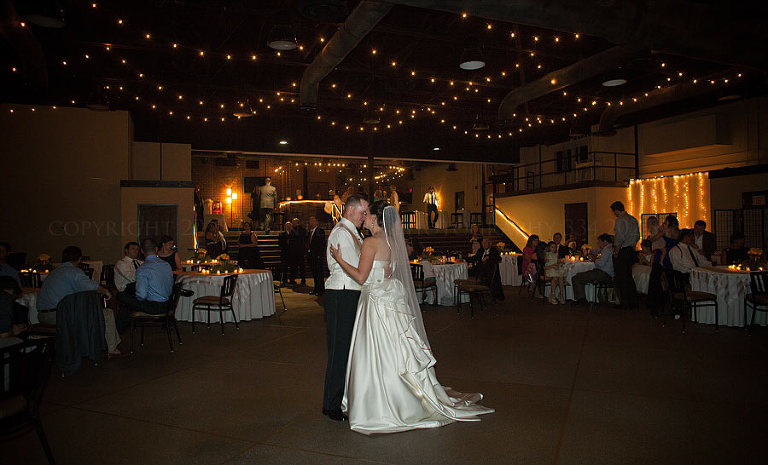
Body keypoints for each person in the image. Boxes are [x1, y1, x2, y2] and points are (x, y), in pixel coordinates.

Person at [329, 200, 494, 434]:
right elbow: (389, 270)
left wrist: (339, 259)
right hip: (389, 299)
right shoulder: (392, 242)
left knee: (375, 351)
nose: (364, 217)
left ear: (376, 218)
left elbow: (361, 277)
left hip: (374, 302)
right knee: (396, 348)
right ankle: (402, 393)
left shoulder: (370, 242)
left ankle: (378, 401)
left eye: (367, 214)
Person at [322, 194, 369, 422]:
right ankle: (331, 404)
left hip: (347, 293)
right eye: (363, 212)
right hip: (341, 293)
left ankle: (336, 400)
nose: (365, 217)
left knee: (344, 350)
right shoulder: (342, 232)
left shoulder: (352, 232)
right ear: (350, 210)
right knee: (339, 351)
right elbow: (356, 269)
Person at [37, 246, 120, 355]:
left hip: (42, 316)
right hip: (60, 315)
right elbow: (91, 286)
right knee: (107, 314)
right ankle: (111, 348)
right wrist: (105, 291)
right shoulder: (73, 272)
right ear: (79, 259)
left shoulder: (54, 272)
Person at [116, 239, 174, 333]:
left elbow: (141, 296)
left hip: (154, 306)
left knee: (121, 297)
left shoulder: (143, 268)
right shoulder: (166, 265)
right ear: (156, 249)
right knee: (127, 303)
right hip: (168, 304)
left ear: (142, 251)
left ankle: (117, 331)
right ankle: (119, 330)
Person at [610, 201, 640, 309]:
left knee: (621, 277)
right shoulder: (633, 219)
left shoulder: (620, 220)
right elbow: (637, 236)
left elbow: (620, 238)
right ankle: (633, 301)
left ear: (616, 210)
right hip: (631, 250)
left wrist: (616, 252)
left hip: (623, 250)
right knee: (628, 276)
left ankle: (624, 302)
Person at [572, 234, 615, 307]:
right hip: (607, 273)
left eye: (599, 242)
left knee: (576, 278)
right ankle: (583, 299)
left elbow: (601, 263)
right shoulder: (610, 248)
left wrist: (594, 259)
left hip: (603, 273)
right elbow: (595, 251)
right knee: (579, 276)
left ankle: (582, 300)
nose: (599, 244)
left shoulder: (607, 250)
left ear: (604, 241)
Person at [307, 216, 326, 296]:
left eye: (312, 221)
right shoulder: (310, 232)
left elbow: (321, 244)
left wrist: (319, 255)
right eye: (310, 221)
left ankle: (320, 290)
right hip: (312, 255)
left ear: (316, 222)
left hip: (317, 256)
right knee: (315, 273)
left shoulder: (320, 231)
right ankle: (316, 289)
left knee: (319, 274)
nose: (311, 223)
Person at [290, 217, 307, 285]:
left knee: (296, 266)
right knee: (300, 266)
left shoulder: (294, 230)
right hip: (300, 251)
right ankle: (302, 279)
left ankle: (293, 279)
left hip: (296, 251)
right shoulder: (303, 230)